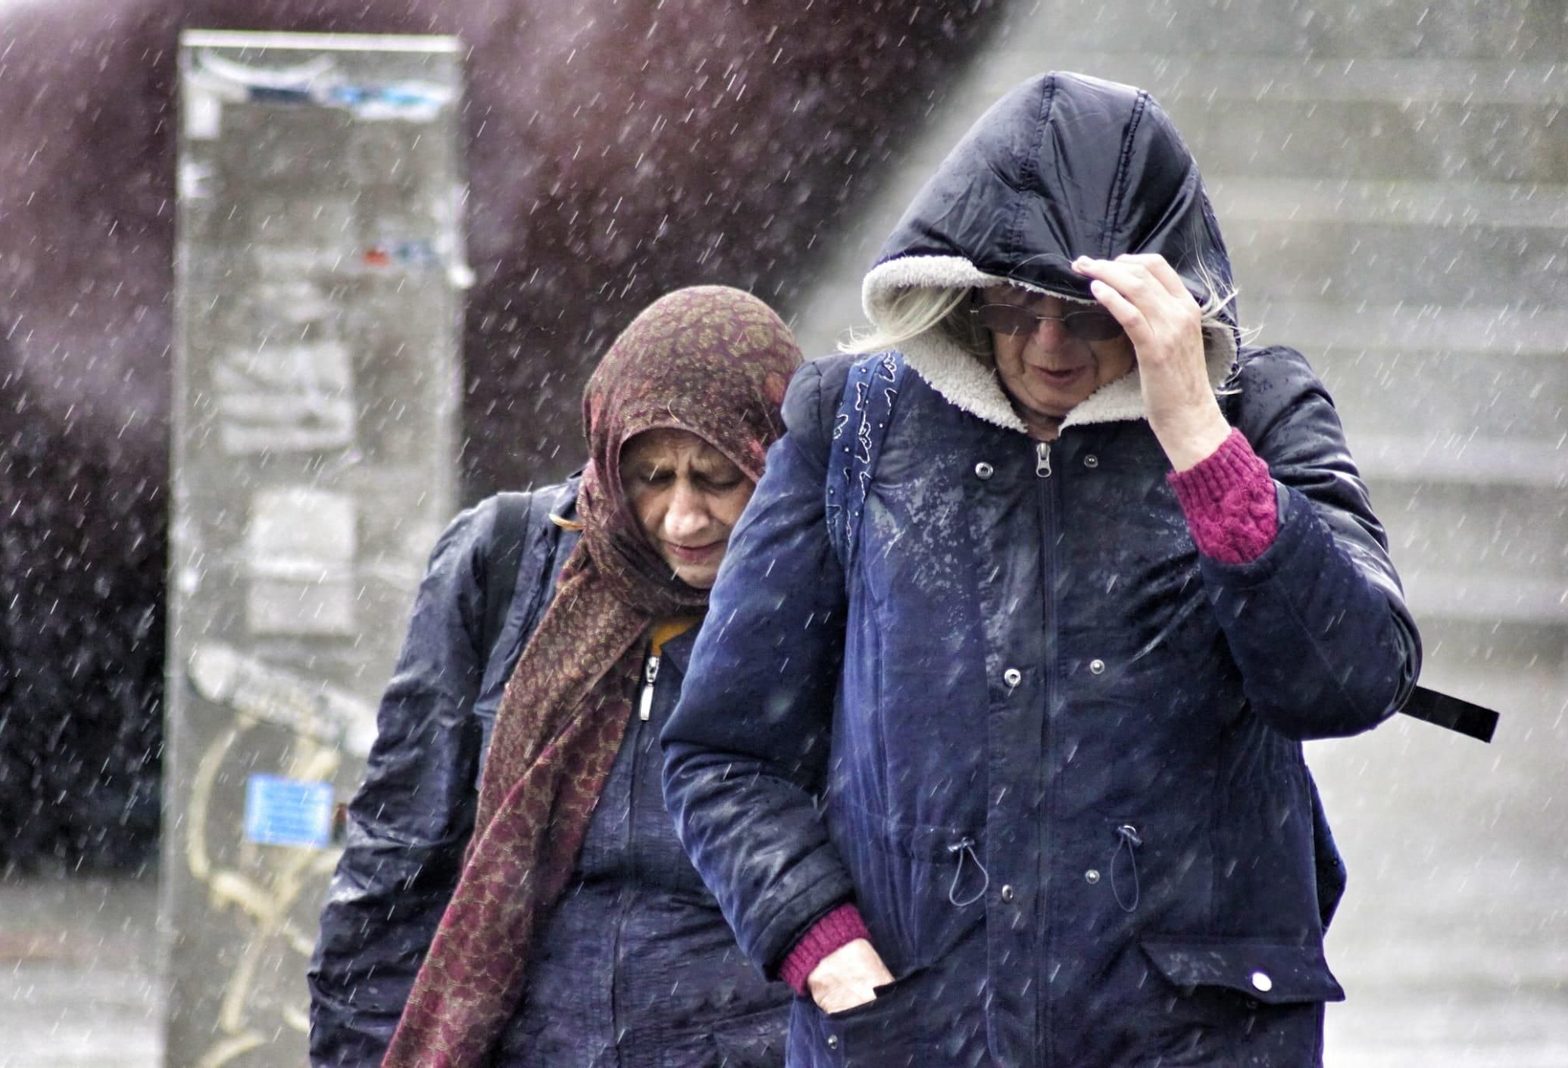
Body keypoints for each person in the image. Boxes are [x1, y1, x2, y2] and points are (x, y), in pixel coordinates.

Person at [659, 72, 1421, 1066]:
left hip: (1192, 1037)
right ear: (960, 289)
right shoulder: (855, 421)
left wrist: (1195, 435)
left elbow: (1350, 677)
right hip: (912, 1030)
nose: (1050, 345)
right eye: (1015, 305)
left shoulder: (1254, 410)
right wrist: (817, 937)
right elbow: (724, 749)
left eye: (1091, 313)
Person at [308, 286, 802, 1066]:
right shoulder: (504, 561)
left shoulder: (821, 592)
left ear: (770, 460)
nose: (683, 518)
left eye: (715, 478)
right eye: (651, 476)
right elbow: (397, 860)